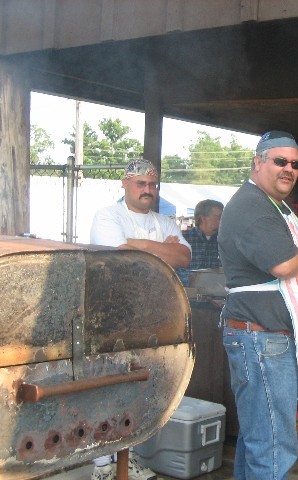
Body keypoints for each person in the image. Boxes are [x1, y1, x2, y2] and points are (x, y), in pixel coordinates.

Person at [217, 130, 298, 479]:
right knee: (272, 446)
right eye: (280, 161)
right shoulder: (251, 206)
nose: (289, 169)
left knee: (260, 439)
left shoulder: (273, 205)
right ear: (257, 163)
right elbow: (283, 266)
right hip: (261, 340)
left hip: (265, 339)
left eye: (295, 164)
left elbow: (285, 250)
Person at [89, 158, 192, 480]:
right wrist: (160, 249)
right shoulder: (108, 215)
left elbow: (184, 257)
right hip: (111, 318)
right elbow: (123, 257)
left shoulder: (166, 221)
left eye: (152, 184)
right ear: (124, 183)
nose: (148, 190)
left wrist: (137, 245)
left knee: (140, 392)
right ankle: (101, 467)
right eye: (140, 184)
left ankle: (126, 459)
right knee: (106, 389)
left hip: (153, 319)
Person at [176, 199, 224, 285]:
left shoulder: (223, 241)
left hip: (216, 293)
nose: (222, 220)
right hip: (187, 293)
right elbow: (176, 271)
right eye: (219, 217)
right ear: (203, 218)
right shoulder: (183, 238)